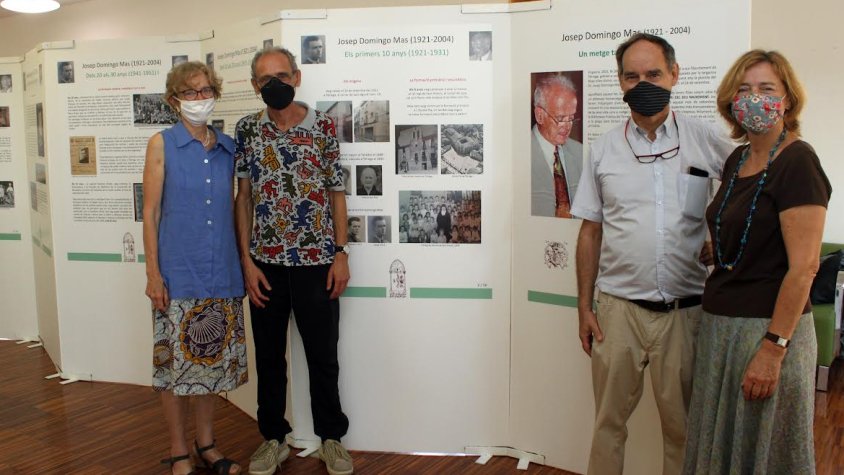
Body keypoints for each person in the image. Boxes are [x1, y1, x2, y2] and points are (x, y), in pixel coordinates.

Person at [571, 33, 735, 475]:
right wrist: (584, 307)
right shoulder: (603, 148)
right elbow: (590, 232)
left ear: (674, 75)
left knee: (683, 430)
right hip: (618, 313)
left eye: (654, 74)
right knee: (608, 425)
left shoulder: (704, 139)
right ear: (620, 83)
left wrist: (721, 235)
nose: (643, 83)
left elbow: (750, 184)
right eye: (632, 76)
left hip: (686, 313)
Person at [683, 50, 830, 474]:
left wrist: (773, 349)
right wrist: (721, 249)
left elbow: (804, 267)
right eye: (744, 89)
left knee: (762, 452)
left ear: (787, 99)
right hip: (721, 331)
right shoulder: (738, 159)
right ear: (730, 100)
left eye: (766, 89)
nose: (753, 98)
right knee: (722, 450)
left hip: (766, 333)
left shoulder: (798, 161)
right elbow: (750, 228)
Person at [233, 47, 353, 475]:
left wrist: (340, 253)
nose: (275, 85)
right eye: (266, 80)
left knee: (323, 355)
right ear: (254, 86)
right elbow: (243, 197)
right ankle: (272, 439)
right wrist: (246, 262)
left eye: (282, 76)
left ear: (297, 77)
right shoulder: (247, 129)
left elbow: (337, 193)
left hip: (317, 262)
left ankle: (331, 439)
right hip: (265, 265)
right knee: (268, 357)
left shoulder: (322, 126)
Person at [142, 61, 246, 475]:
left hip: (221, 271)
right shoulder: (161, 144)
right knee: (174, 368)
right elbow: (149, 213)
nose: (200, 99)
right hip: (177, 272)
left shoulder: (228, 148)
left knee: (211, 365)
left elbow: (240, 206)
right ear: (174, 100)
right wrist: (153, 273)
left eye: (206, 91)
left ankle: (207, 445)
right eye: (190, 92)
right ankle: (179, 449)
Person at [531, 73, 583, 218]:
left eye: (571, 118)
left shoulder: (580, 151)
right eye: (560, 119)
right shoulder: (519, 152)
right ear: (539, 115)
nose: (567, 127)